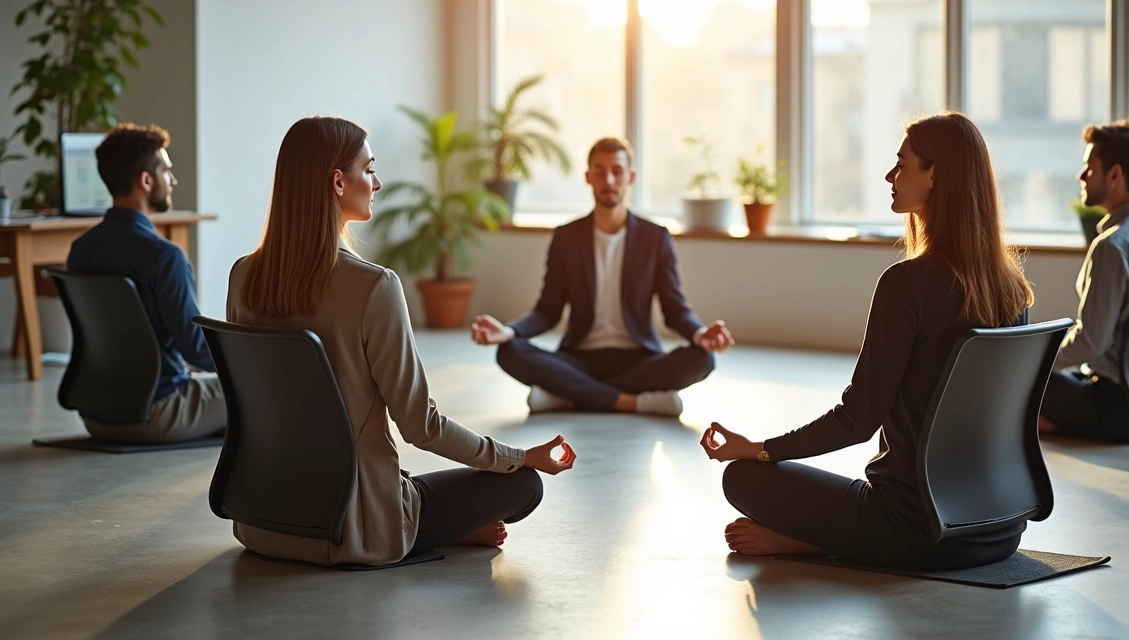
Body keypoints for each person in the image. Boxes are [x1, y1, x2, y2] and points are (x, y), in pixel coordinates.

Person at [226, 116, 576, 567]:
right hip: (351, 529)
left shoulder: (243, 277)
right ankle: (442, 529)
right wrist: (519, 456)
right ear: (338, 181)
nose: (377, 182)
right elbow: (421, 426)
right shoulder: (374, 287)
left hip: (264, 523)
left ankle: (444, 523)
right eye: (369, 170)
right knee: (524, 484)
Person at [700, 112, 1034, 570]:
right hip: (997, 531)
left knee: (743, 479)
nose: (889, 176)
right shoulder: (1012, 289)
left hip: (915, 528)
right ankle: (832, 541)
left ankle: (818, 542)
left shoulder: (907, 284)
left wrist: (758, 448)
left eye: (902, 164)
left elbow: (857, 420)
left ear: (934, 174)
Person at [471, 137, 733, 417]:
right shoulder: (566, 237)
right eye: (599, 170)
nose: (608, 179)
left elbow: (674, 309)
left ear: (630, 177)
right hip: (579, 358)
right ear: (588, 177)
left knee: (703, 358)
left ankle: (569, 396)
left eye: (617, 171)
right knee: (509, 351)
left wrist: (700, 333)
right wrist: (509, 331)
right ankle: (633, 402)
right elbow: (547, 311)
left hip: (638, 359)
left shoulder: (655, 238)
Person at [66, 123, 225, 443]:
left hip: (96, 417)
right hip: (156, 413)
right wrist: (254, 359)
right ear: (146, 180)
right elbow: (196, 349)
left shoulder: (81, 249)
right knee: (268, 390)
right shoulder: (165, 257)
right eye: (168, 171)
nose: (173, 180)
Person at [1038, 121, 1129, 443]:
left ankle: (1041, 420)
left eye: (1089, 167)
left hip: (1116, 409)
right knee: (1060, 376)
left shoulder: (1113, 246)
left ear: (1114, 175)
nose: (1081, 176)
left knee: (1013, 381)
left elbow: (1092, 342)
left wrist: (1036, 361)